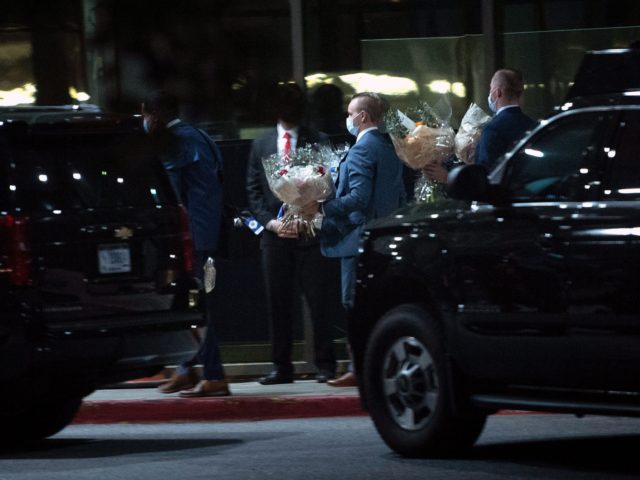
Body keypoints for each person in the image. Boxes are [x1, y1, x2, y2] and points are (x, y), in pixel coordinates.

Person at [300, 92, 405, 387]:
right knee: (381, 301)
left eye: (350, 113)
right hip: (385, 235)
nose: (347, 119)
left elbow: (358, 197)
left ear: (362, 117)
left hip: (358, 238)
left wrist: (320, 207)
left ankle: (359, 365)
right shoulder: (390, 147)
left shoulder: (361, 151)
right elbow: (400, 195)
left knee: (354, 302)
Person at [246, 83, 341, 385]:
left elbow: (330, 182)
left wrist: (309, 214)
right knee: (278, 303)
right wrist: (270, 224)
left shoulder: (318, 140)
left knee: (319, 301)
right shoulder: (260, 144)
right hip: (275, 238)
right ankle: (281, 366)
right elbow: (253, 190)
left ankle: (326, 364)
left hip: (310, 233)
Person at [142, 91, 230, 397]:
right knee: (191, 303)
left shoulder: (177, 142)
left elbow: (171, 195)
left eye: (146, 116)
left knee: (197, 306)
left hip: (193, 240)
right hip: (205, 236)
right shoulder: (199, 136)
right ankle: (186, 369)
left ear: (155, 114)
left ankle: (214, 375)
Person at [424, 68, 536, 183]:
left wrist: (447, 177)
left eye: (490, 89)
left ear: (498, 93)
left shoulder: (493, 129)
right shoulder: (534, 126)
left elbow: (484, 179)